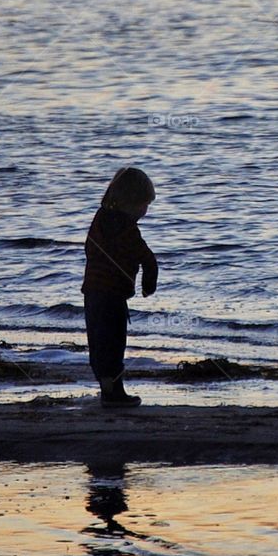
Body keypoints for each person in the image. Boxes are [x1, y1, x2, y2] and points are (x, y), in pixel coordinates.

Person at [82, 166, 158, 407]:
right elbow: (148, 259)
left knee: (98, 341)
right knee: (114, 343)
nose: (145, 212)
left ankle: (107, 388)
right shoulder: (127, 229)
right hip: (112, 295)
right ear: (131, 203)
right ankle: (114, 392)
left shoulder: (99, 219)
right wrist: (148, 285)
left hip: (92, 291)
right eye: (144, 206)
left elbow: (90, 249)